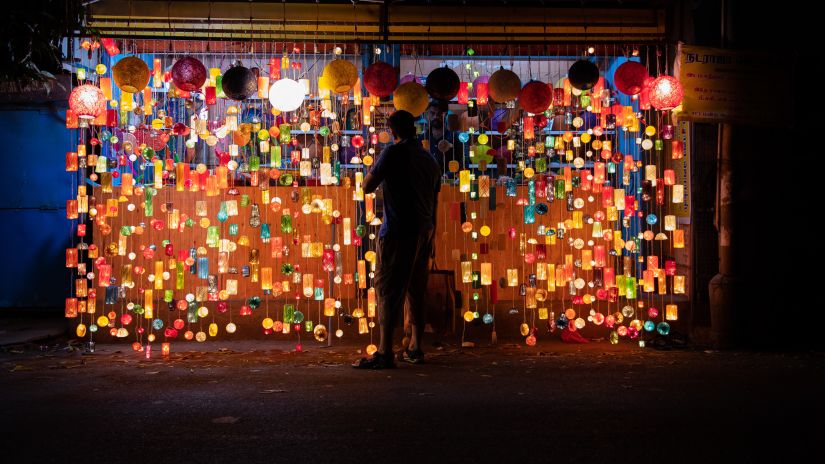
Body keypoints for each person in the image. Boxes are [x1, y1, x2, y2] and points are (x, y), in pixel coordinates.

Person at [352, 110, 441, 369]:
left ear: (392, 131)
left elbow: (367, 186)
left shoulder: (392, 153)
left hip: (398, 231)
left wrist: (375, 167)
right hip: (424, 231)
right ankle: (415, 348)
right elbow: (435, 201)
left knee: (387, 289)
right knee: (416, 290)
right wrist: (431, 233)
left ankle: (384, 351)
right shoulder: (429, 160)